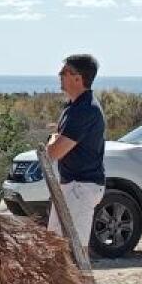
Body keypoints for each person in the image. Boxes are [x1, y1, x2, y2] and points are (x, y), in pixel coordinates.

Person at [45, 54, 106, 248]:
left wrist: (53, 141)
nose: (59, 75)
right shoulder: (72, 107)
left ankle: (83, 280)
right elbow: (57, 139)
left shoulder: (85, 110)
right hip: (70, 186)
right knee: (56, 246)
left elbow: (53, 152)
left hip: (81, 187)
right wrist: (55, 139)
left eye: (64, 72)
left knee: (75, 249)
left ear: (78, 78)